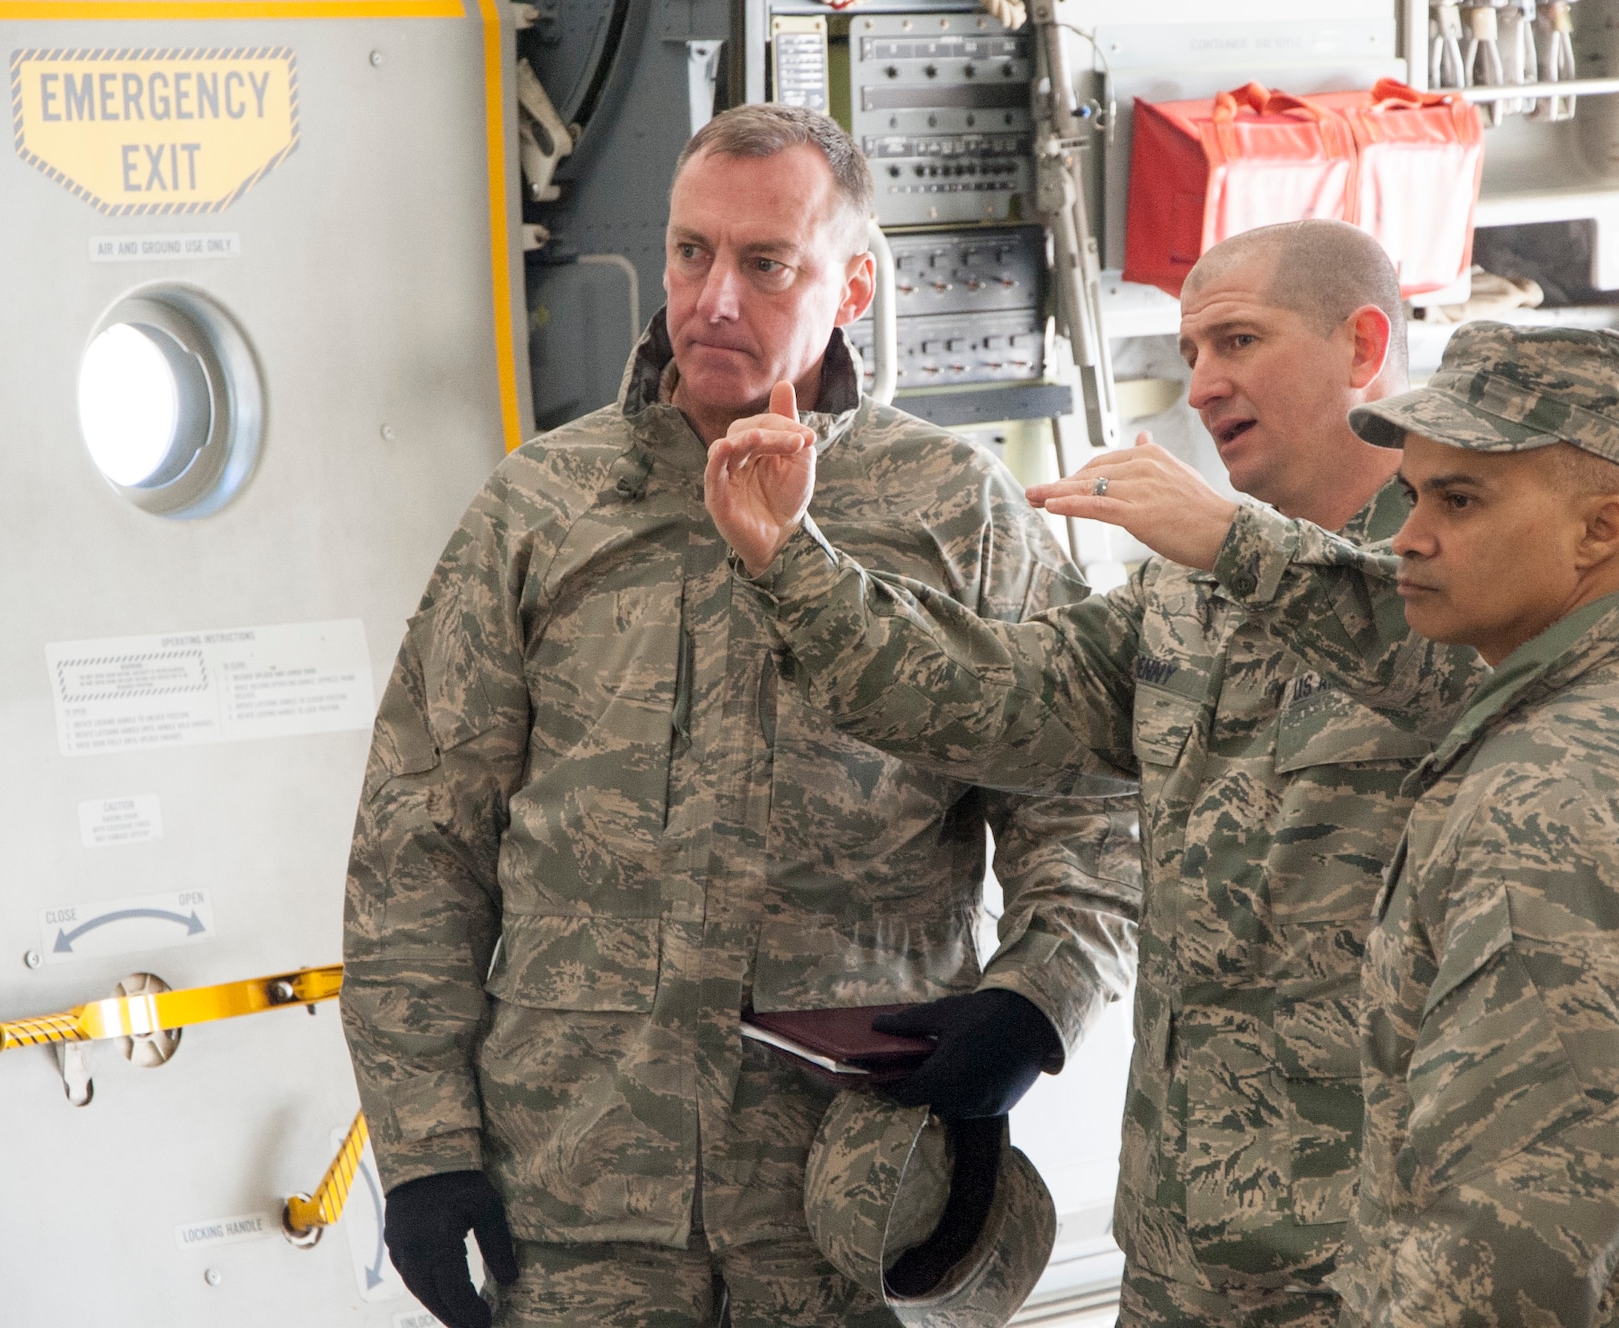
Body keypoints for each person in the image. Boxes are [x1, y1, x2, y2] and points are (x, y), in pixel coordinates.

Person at [338, 103, 1139, 1328]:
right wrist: (423, 1147)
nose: (710, 298)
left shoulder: (954, 513)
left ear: (853, 283)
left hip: (843, 1209)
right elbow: (418, 846)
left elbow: (1085, 810)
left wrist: (1035, 1004)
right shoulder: (543, 509)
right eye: (689, 252)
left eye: (765, 263)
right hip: (576, 1201)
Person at [704, 219, 1485, 1327]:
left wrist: (1234, 544)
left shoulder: (1473, 568)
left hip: (1388, 1270)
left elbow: (1458, 670)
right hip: (1189, 1258)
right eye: (1189, 353)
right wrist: (795, 564)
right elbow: (993, 695)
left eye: (1237, 341)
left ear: (1362, 344)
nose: (1203, 384)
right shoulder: (1190, 594)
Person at [1032, 321, 1619, 1323]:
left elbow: (1518, 1228)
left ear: (1599, 528)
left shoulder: (1554, 787)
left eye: (1460, 499)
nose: (1410, 535)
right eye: (1414, 492)